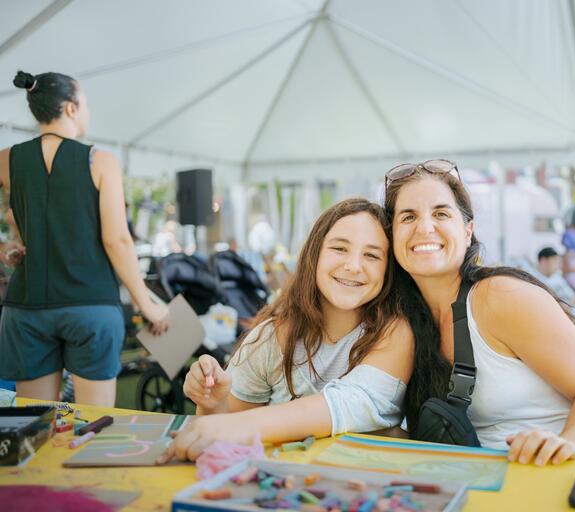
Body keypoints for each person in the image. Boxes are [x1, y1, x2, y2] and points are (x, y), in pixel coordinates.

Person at [384, 159, 575, 465]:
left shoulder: (501, 296)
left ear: (468, 232)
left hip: (558, 478)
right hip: (472, 485)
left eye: (441, 213)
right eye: (408, 217)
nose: (425, 228)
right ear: (392, 236)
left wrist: (567, 445)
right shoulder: (402, 320)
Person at [156, 198, 414, 463]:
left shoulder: (395, 333)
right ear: (314, 254)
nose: (353, 266)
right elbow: (218, 432)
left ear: (388, 269)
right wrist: (211, 403)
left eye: (371, 255)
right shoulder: (269, 338)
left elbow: (349, 403)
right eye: (339, 248)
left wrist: (240, 426)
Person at [0, 71, 168, 407]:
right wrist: (145, 302)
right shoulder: (101, 161)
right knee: (95, 427)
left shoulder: (6, 159)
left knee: (37, 428)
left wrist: (7, 246)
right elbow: (117, 240)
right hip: (90, 306)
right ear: (71, 109)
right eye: (86, 103)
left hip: (27, 307)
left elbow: (17, 216)